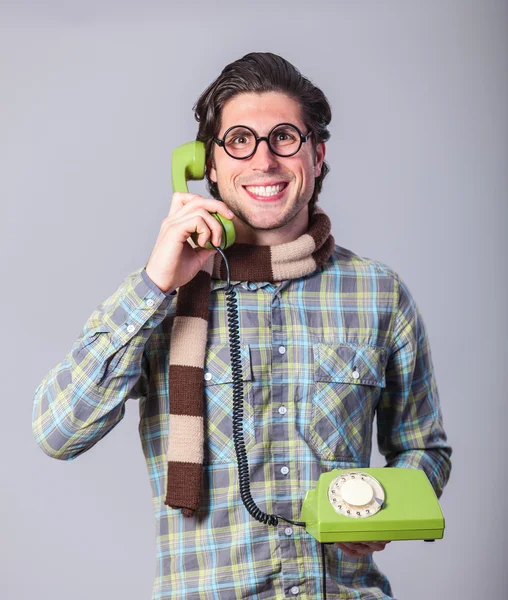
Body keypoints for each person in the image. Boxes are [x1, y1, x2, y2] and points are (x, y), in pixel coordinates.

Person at [32, 52, 452, 599]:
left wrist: (382, 506)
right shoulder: (157, 301)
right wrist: (157, 284)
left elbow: (425, 450)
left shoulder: (378, 293)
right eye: (239, 141)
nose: (264, 160)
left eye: (284, 137)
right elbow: (57, 432)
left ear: (317, 155)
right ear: (206, 164)